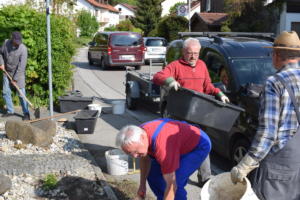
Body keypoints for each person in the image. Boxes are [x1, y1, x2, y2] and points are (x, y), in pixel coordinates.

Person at [231, 31, 300, 200]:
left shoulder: (275, 83)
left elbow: (268, 132)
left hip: (280, 164)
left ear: (276, 55)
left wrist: (246, 164)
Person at [152, 37, 229, 186]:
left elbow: (207, 86)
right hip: (179, 115)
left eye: (196, 53)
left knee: (203, 144)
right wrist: (170, 81)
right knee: (180, 148)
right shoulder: (175, 66)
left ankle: (205, 179)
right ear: (183, 52)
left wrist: (219, 94)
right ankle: (176, 178)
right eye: (189, 53)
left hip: (199, 114)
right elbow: (158, 77)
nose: (193, 57)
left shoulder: (201, 65)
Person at [116, 118, 211, 200]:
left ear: (142, 138)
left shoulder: (162, 146)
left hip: (197, 145)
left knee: (176, 181)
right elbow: (145, 159)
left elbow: (171, 184)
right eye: (130, 153)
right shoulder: (140, 132)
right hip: (177, 144)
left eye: (136, 151)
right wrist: (142, 186)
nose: (135, 156)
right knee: (153, 174)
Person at [0, 31, 30, 120]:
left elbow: (22, 66)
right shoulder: (6, 43)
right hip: (7, 71)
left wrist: (15, 79)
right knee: (6, 92)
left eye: (19, 41)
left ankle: (26, 113)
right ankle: (10, 111)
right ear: (12, 39)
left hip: (19, 74)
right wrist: (1, 63)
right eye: (16, 41)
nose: (18, 43)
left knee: (21, 94)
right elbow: (0, 53)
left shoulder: (23, 49)